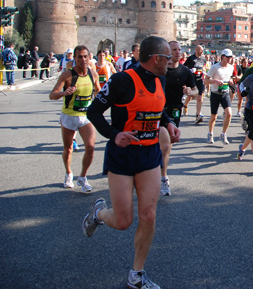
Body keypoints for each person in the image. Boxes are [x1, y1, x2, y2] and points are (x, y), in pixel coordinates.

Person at [83, 36, 180, 289]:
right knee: (124, 220)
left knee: (148, 214)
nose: (171, 60)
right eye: (167, 57)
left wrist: (168, 122)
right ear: (156, 59)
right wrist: (115, 135)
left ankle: (136, 274)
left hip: (149, 156)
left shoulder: (161, 78)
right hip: (122, 157)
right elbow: (93, 111)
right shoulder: (122, 80)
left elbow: (159, 110)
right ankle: (99, 213)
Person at [49, 45, 101, 191]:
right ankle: (68, 173)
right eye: (79, 57)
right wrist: (63, 93)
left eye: (85, 56)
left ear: (89, 57)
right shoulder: (67, 75)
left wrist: (100, 104)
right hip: (69, 116)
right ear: (75, 59)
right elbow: (52, 95)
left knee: (90, 147)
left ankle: (83, 178)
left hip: (85, 116)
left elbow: (97, 91)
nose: (83, 60)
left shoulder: (93, 74)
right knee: (68, 148)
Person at [159, 41, 196, 196]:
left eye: (179, 49)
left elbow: (196, 92)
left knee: (167, 145)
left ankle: (161, 175)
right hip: (157, 110)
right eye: (174, 49)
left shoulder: (185, 72)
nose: (178, 52)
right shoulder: (159, 70)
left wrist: (189, 91)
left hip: (175, 111)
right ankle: (163, 178)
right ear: (167, 51)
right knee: (163, 145)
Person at [204, 49, 235, 144]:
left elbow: (230, 78)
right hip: (215, 93)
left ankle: (223, 134)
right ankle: (210, 133)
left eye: (231, 57)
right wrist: (215, 81)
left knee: (229, 114)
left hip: (225, 93)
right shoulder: (215, 67)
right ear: (222, 57)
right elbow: (206, 80)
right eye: (228, 57)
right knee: (214, 116)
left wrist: (230, 81)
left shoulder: (231, 67)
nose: (230, 59)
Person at [183, 45, 208, 123]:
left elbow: (204, 66)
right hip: (192, 80)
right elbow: (184, 67)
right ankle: (185, 105)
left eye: (203, 50)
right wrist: (190, 70)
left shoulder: (203, 59)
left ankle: (198, 115)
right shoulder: (190, 58)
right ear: (196, 50)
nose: (202, 52)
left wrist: (203, 71)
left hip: (200, 79)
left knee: (200, 97)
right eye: (200, 50)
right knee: (191, 96)